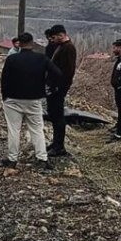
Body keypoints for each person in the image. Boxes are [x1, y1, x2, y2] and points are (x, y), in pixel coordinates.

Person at [0, 33, 63, 168]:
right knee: (37, 129)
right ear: (32, 43)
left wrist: (5, 96)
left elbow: (4, 79)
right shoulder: (41, 58)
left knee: (14, 129)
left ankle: (12, 159)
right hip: (34, 99)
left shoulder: (12, 59)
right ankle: (42, 159)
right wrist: (48, 86)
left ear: (20, 44)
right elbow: (57, 73)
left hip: (13, 99)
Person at [44, 24, 77, 157]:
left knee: (58, 116)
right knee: (53, 114)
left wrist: (59, 87)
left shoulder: (68, 48)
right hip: (54, 87)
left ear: (61, 35)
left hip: (58, 88)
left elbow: (68, 71)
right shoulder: (61, 46)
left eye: (54, 37)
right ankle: (55, 142)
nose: (52, 40)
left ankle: (59, 146)